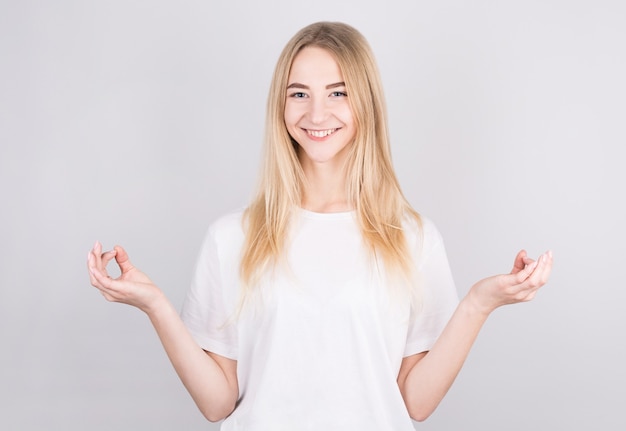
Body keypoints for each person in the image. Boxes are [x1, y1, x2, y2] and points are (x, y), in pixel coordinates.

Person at [87, 21, 553, 430]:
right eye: (299, 94)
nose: (316, 114)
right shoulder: (232, 238)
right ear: (281, 105)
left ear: (365, 102)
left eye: (338, 92)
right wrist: (154, 305)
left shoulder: (412, 238)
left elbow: (415, 401)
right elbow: (217, 403)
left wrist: (479, 303)